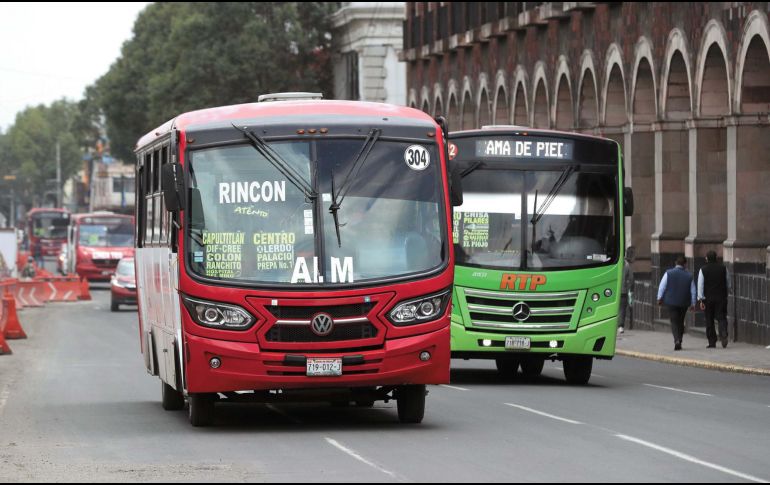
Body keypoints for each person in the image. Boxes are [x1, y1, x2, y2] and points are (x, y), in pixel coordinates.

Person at [657, 255, 696, 351]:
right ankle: (680, 339)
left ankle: (676, 340)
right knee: (681, 321)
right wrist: (693, 303)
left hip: (671, 302)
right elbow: (693, 291)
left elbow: (662, 286)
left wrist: (659, 298)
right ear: (685, 264)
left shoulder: (668, 273)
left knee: (674, 321)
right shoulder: (689, 276)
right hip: (683, 302)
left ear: (675, 263)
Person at [697, 250, 731, 348]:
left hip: (708, 299)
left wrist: (701, 299)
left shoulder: (703, 269)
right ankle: (723, 332)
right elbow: (728, 282)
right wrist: (728, 291)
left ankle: (712, 342)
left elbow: (700, 285)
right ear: (716, 258)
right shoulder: (723, 268)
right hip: (721, 297)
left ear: (707, 259)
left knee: (709, 319)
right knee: (721, 317)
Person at [618, 246, 635, 334]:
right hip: (623, 291)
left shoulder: (611, 263)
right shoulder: (626, 265)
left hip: (613, 292)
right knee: (622, 309)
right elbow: (631, 279)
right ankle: (621, 326)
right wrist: (630, 289)